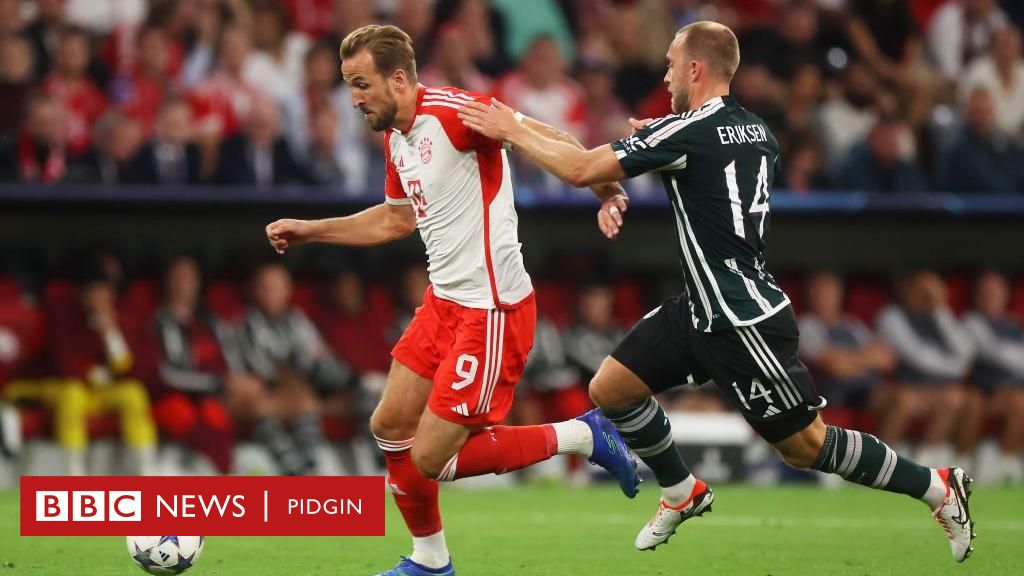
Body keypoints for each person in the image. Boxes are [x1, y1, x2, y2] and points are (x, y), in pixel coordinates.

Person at [456, 21, 976, 563]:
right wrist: (656, 137)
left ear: (695, 69)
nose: (666, 73)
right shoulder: (756, 129)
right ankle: (681, 490)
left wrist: (510, 127)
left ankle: (937, 487)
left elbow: (584, 166)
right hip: (699, 310)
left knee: (806, 446)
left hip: (740, 319)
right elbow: (705, 161)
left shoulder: (683, 133)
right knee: (611, 389)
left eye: (671, 64)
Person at [264, 24, 638, 576]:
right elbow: (395, 217)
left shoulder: (454, 111)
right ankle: (430, 561)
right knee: (390, 425)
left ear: (398, 78)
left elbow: (534, 131)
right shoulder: (397, 134)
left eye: (362, 84)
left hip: (491, 310)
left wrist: (606, 187)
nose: (354, 98)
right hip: (444, 303)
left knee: (432, 459)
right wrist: (311, 230)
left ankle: (582, 434)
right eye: (349, 86)